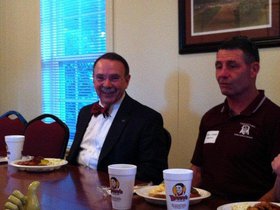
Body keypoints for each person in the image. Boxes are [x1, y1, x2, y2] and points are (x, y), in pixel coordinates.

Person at [190, 36, 280, 201]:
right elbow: (197, 171)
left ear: (253, 69)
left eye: (232, 66)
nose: (222, 74)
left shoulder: (274, 118)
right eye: (219, 66)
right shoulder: (211, 117)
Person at [66, 52, 169, 184]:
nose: (107, 84)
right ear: (93, 79)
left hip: (117, 196)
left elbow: (153, 173)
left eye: (114, 78)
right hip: (78, 190)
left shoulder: (148, 119)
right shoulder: (84, 113)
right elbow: (73, 159)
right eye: (100, 78)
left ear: (127, 81)